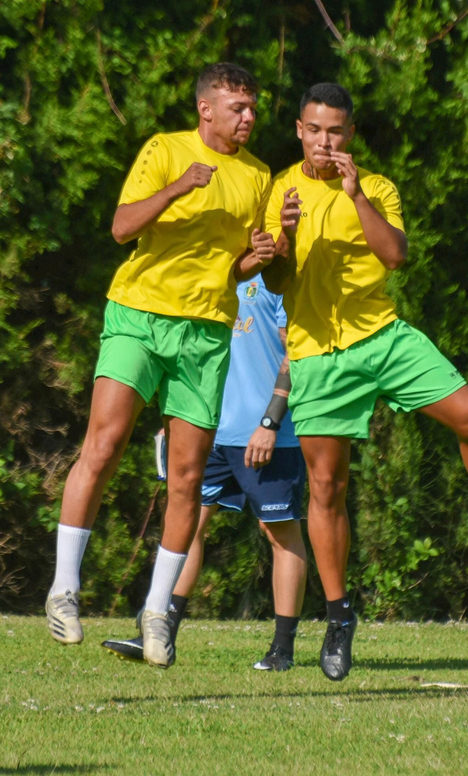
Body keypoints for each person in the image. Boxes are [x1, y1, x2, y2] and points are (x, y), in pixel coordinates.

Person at [262, 82, 468, 683]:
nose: (326, 141)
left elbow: (396, 255)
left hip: (384, 337)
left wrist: (354, 196)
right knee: (326, 489)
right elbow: (273, 282)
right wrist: (285, 237)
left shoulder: (375, 187)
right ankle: (340, 615)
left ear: (351, 134)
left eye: (337, 131)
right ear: (299, 130)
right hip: (318, 354)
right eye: (316, 130)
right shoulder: (278, 192)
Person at [45, 63, 273, 668]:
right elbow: (121, 228)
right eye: (238, 107)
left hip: (205, 332)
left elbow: (237, 266)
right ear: (206, 109)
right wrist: (177, 188)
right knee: (106, 443)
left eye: (252, 107)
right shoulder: (165, 150)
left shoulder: (258, 175)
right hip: (139, 317)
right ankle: (64, 591)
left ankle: (157, 614)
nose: (248, 117)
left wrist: (261, 254)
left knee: (186, 479)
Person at [102, 274, 309, 670]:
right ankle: (160, 633)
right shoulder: (213, 272)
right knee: (188, 524)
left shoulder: (279, 276)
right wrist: (175, 419)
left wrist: (270, 422)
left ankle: (283, 649)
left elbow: (295, 353)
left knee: (281, 532)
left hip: (265, 433)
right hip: (207, 427)